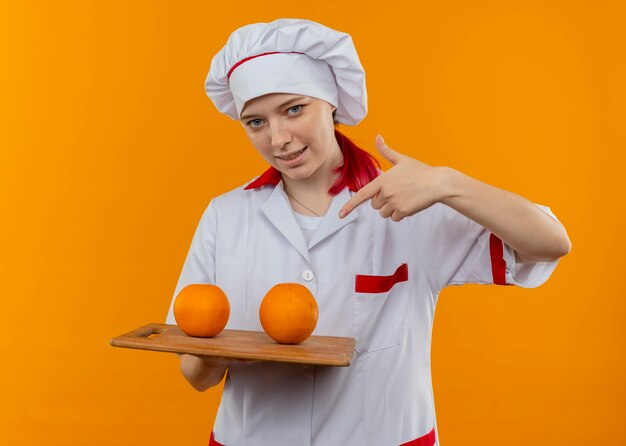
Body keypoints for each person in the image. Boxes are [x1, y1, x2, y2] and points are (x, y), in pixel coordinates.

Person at [165, 18, 571, 446]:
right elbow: (195, 376)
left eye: (294, 109)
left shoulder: (413, 202)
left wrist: (448, 184)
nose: (279, 138)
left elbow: (551, 243)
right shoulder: (226, 215)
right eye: (256, 122)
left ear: (332, 103)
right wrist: (219, 353)